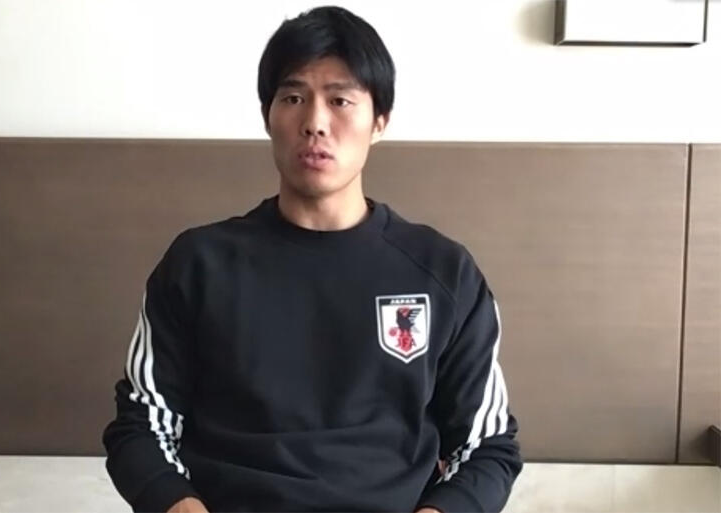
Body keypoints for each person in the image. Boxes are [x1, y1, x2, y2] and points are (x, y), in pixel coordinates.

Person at [103, 6, 522, 512]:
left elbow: (486, 447)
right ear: (268, 116)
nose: (315, 123)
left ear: (380, 121)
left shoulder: (443, 272)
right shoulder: (199, 264)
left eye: (340, 100)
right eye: (293, 98)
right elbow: (141, 426)